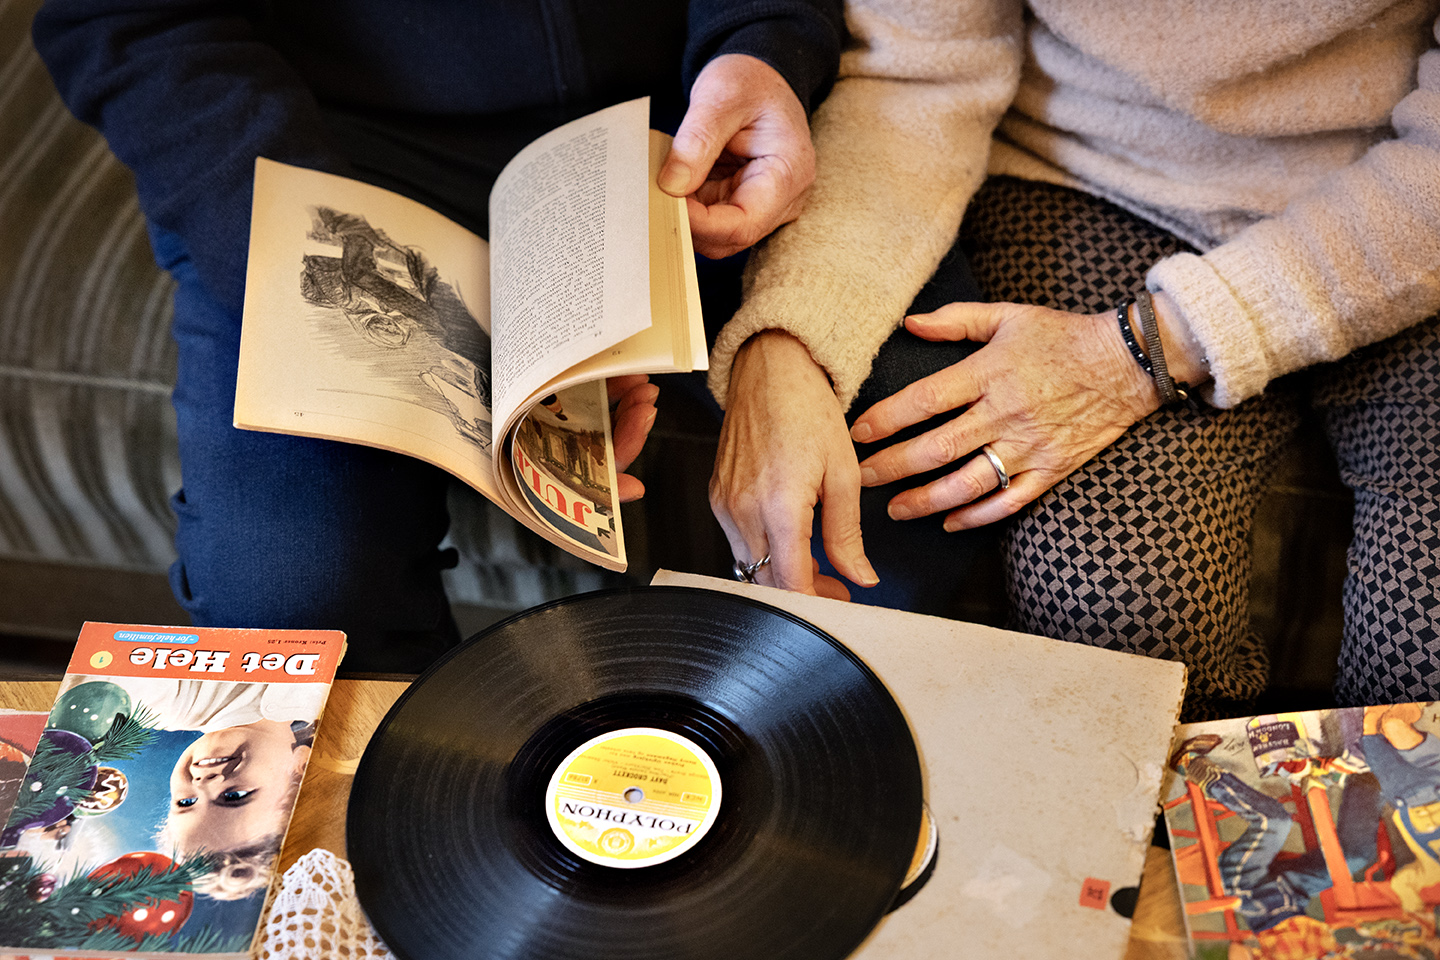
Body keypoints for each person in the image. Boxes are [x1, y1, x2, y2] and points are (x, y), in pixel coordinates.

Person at [31, 0, 843, 672]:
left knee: (874, 497)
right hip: (315, 151)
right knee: (285, 601)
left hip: (689, 130)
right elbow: (122, 19)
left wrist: (763, 41)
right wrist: (320, 258)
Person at [707, 0, 1440, 718]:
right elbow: (917, 76)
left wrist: (1149, 347)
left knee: (1423, 667)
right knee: (1112, 630)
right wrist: (789, 337)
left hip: (1411, 211)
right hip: (1099, 176)